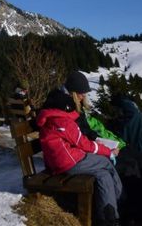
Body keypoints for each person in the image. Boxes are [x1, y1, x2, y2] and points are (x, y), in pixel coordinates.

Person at [61, 71, 142, 224]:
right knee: (127, 166)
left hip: (93, 145)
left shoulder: (75, 107)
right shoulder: (67, 109)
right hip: (82, 153)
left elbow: (87, 131)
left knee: (139, 159)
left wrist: (102, 141)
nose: (83, 96)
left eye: (84, 93)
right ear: (72, 92)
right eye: (80, 93)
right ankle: (131, 211)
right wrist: (102, 147)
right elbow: (80, 137)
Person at [37, 89, 123, 226]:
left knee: (103, 174)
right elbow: (84, 144)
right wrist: (108, 152)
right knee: (106, 163)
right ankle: (117, 204)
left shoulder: (49, 120)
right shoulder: (63, 122)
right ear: (64, 107)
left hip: (62, 162)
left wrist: (50, 168)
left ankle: (106, 216)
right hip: (71, 163)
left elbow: (51, 149)